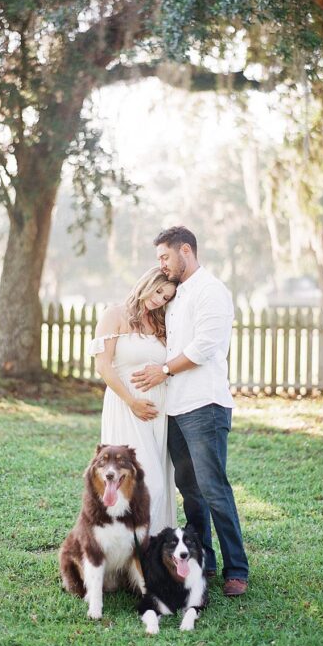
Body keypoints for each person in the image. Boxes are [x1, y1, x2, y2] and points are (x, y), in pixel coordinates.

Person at [131, 225, 250, 597]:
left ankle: (237, 569)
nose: (162, 265)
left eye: (165, 256)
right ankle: (205, 561)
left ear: (186, 250)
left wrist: (163, 370)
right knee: (190, 491)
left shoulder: (211, 291)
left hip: (205, 406)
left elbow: (205, 347)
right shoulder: (176, 294)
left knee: (214, 488)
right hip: (176, 408)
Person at [87, 266, 178, 533]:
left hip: (158, 412)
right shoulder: (115, 314)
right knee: (146, 483)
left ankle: (153, 546)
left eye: (166, 297)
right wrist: (132, 402)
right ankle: (130, 544)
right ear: (146, 283)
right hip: (126, 407)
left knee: (161, 483)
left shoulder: (161, 322)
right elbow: (103, 366)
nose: (159, 300)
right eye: (158, 291)